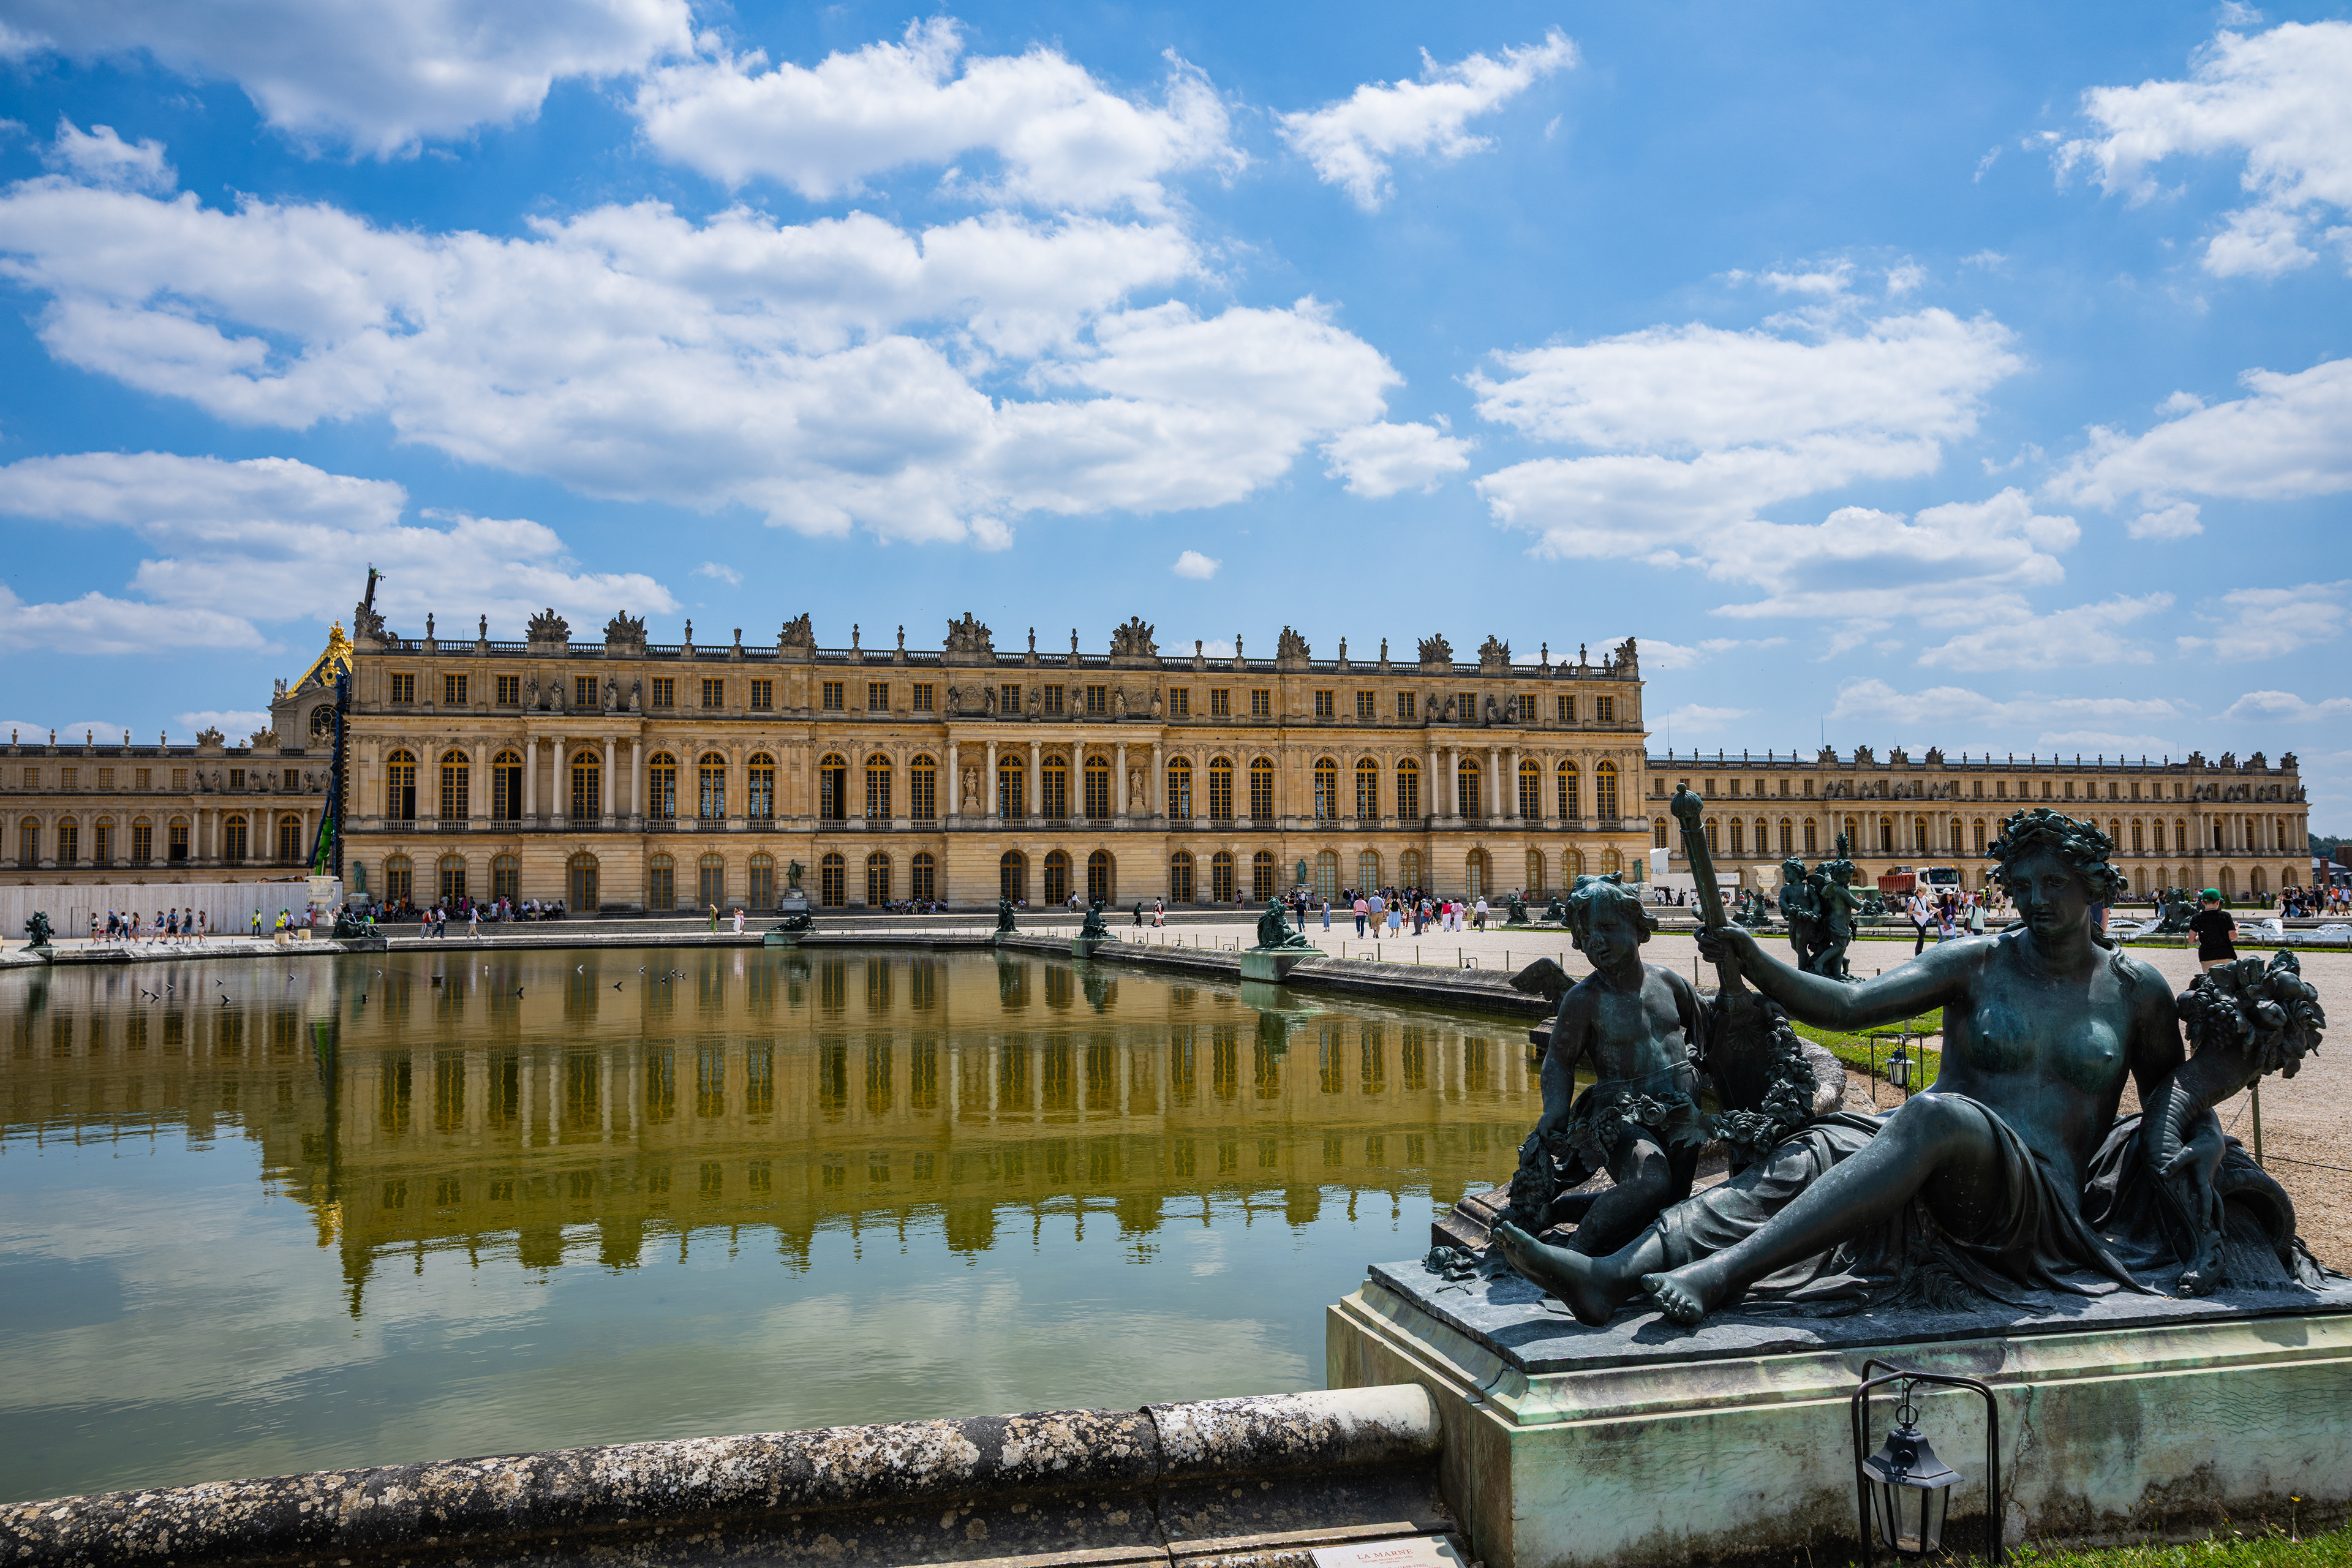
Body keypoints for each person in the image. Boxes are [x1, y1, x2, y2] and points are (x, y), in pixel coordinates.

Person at [1492, 807, 2191, 1328]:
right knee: (1813, 1148)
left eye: (2057, 884)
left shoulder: (2137, 990)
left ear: (2093, 882)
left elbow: (2172, 1100)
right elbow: (1851, 1005)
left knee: (1932, 1114)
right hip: (1936, 1153)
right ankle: (1611, 1274)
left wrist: (2204, 1142)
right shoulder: (1980, 960)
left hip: (2034, 1199)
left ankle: (1721, 1273)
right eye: (2025, 884)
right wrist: (1756, 958)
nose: (2038, 901)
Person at [1501, 876, 1709, 1257]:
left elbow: (1701, 1027)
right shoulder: (1584, 999)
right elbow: (1560, 1060)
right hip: (1620, 1115)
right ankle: (1577, 1258)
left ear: (1639, 927)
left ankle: (1561, 1211)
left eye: (1608, 928)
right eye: (1587, 933)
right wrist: (1555, 1109)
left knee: (1669, 1204)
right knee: (1650, 1182)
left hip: (1683, 1112)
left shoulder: (1669, 981)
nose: (1596, 940)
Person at [2190, 889, 2237, 973]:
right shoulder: (2225, 916)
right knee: (2228, 982)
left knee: (2209, 982)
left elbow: (2191, 940)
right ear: (2218, 902)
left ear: (2203, 902)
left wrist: (2199, 938)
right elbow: (2233, 937)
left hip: (2207, 955)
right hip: (2226, 954)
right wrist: (2237, 929)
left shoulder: (2196, 918)